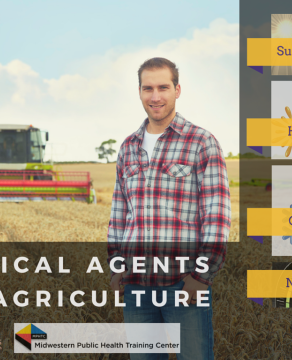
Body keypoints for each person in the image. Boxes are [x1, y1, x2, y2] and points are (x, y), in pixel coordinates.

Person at [107, 57, 231, 360]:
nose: (155, 96)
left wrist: (201, 276)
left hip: (184, 282)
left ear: (177, 90)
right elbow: (119, 214)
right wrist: (115, 265)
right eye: (148, 88)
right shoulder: (128, 147)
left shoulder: (201, 142)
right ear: (139, 92)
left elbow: (217, 215)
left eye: (163, 87)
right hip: (137, 286)